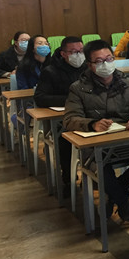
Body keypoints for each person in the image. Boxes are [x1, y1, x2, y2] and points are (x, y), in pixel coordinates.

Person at [63, 39, 129, 221]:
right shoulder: (78, 88)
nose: (106, 64)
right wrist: (92, 124)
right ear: (89, 64)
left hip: (125, 140)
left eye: (109, 59)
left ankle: (118, 190)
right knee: (102, 167)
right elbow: (70, 119)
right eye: (99, 61)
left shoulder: (128, 84)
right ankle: (122, 200)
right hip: (95, 145)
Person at [34, 36, 87, 194]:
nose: (78, 55)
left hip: (87, 114)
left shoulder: (88, 67)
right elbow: (40, 97)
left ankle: (91, 176)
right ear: (63, 54)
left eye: (81, 51)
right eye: (74, 52)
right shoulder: (50, 71)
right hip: (63, 119)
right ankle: (68, 178)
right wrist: (71, 100)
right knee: (65, 140)